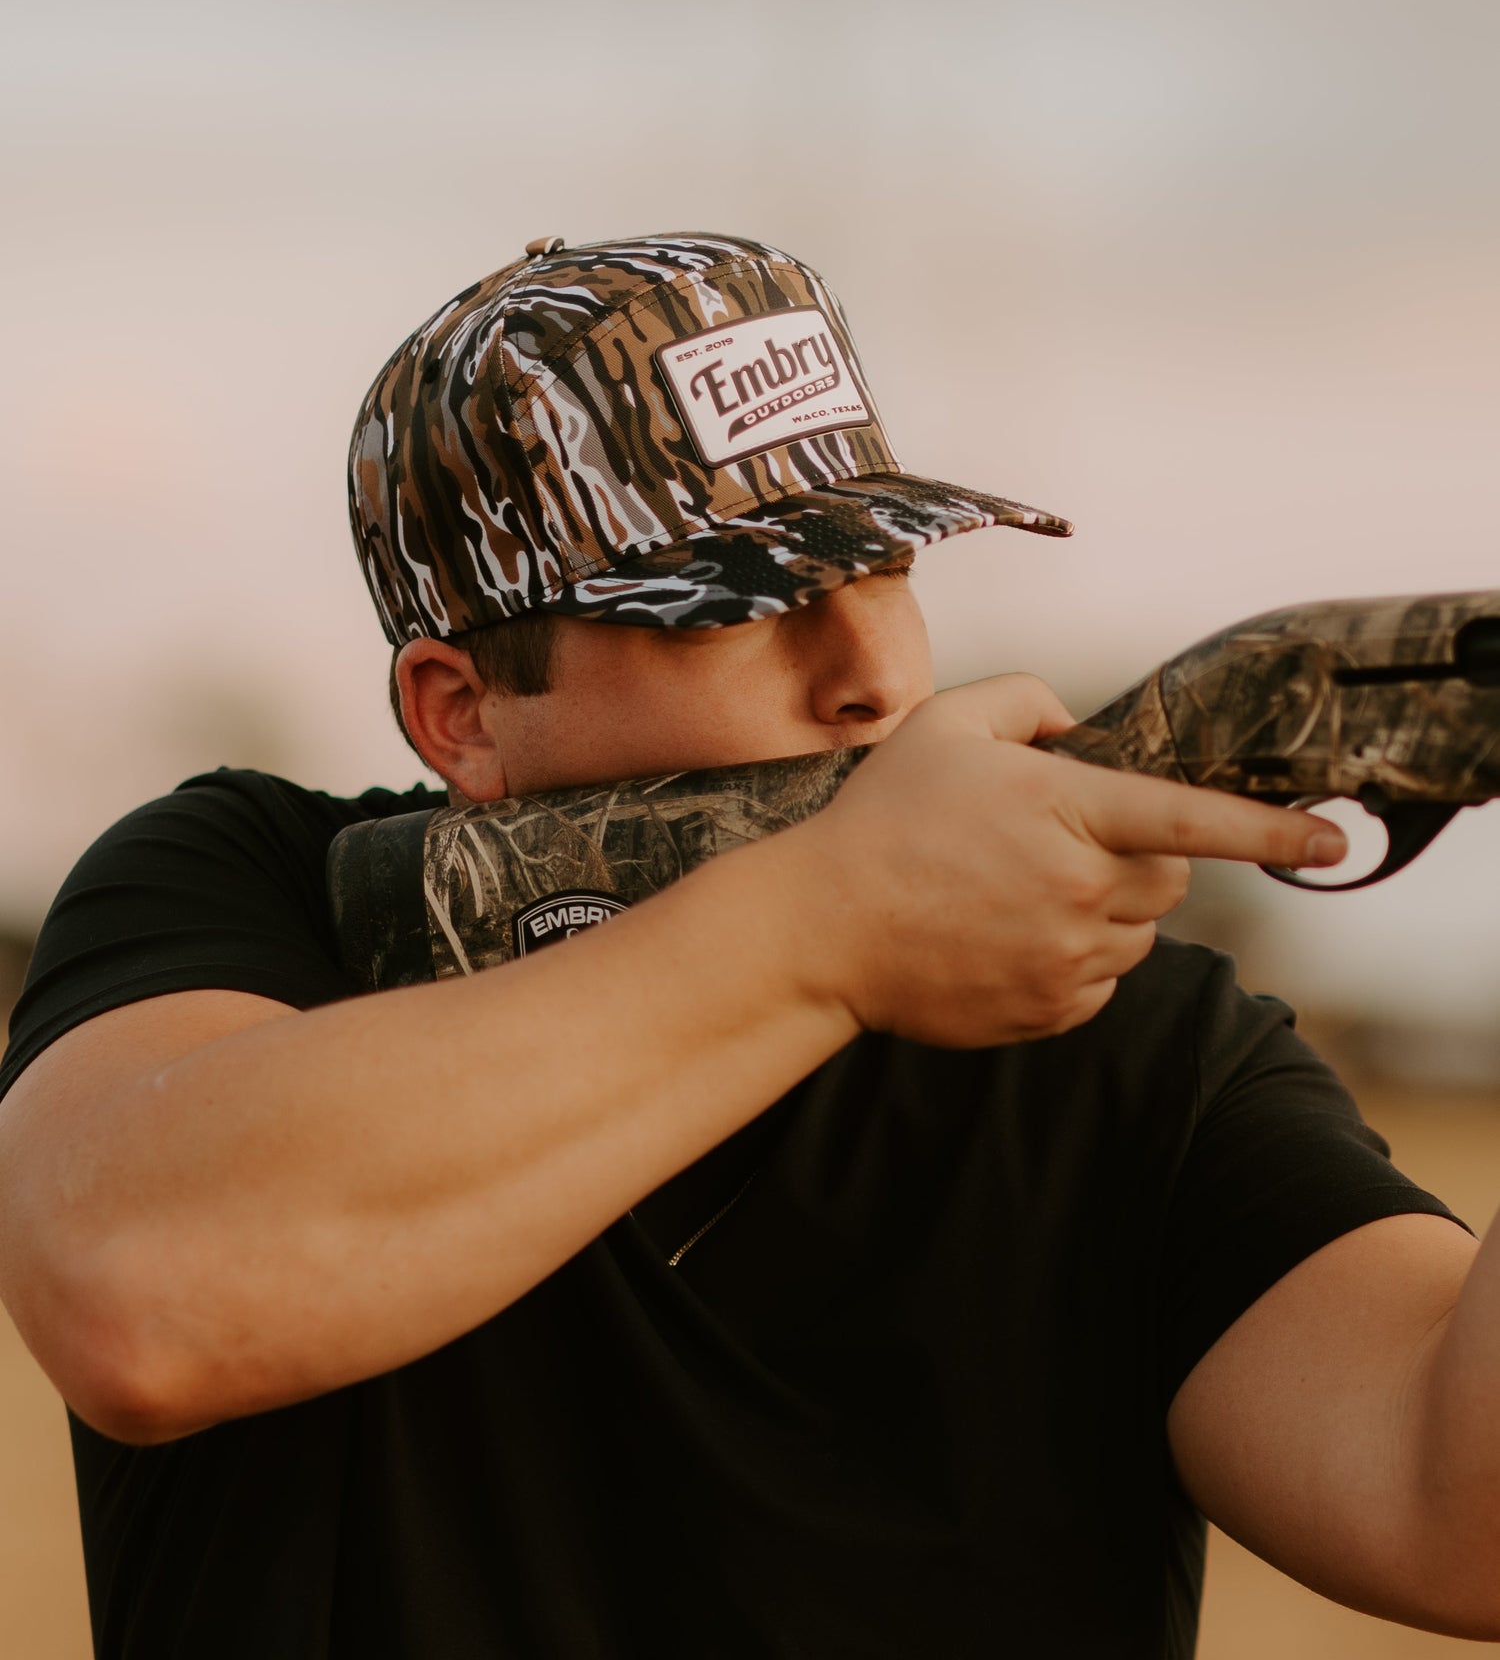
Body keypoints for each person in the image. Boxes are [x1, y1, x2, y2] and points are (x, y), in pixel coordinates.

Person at [0, 232, 1489, 1659]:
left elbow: (1458, 1513)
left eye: (886, 568)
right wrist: (837, 923)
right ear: (460, 710)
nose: (867, 677)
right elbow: (143, 1299)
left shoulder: (1130, 1038)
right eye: (735, 606)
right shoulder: (259, 893)